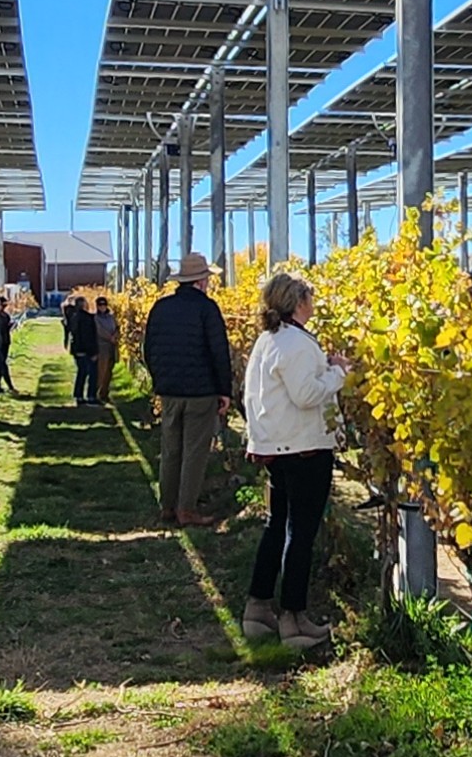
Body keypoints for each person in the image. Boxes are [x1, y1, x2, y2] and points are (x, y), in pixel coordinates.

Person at [238, 270, 344, 648]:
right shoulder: (296, 343)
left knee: (276, 526)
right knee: (301, 534)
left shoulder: (269, 340)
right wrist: (338, 374)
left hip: (275, 448)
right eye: (310, 299)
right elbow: (305, 394)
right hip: (304, 448)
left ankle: (258, 609)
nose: (312, 305)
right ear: (299, 302)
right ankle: (294, 620)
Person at [144, 252, 234, 525]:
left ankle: (167, 506)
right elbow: (219, 352)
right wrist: (224, 390)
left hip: (169, 391)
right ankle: (187, 509)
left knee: (171, 448)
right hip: (201, 391)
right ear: (201, 281)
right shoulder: (207, 309)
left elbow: (149, 349)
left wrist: (160, 379)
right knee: (194, 450)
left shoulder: (161, 308)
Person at [61, 289, 99, 406]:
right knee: (91, 372)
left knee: (82, 372)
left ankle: (79, 396)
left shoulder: (72, 317)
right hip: (85, 349)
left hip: (77, 348)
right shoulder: (87, 319)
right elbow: (88, 336)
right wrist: (93, 352)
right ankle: (90, 396)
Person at [87, 290, 120, 407]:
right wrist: (110, 337)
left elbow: (117, 327)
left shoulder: (111, 317)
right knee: (101, 371)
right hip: (102, 347)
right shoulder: (96, 318)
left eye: (104, 305)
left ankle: (105, 393)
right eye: (100, 305)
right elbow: (99, 331)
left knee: (109, 372)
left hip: (112, 347)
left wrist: (115, 336)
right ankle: (95, 393)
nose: (102, 307)